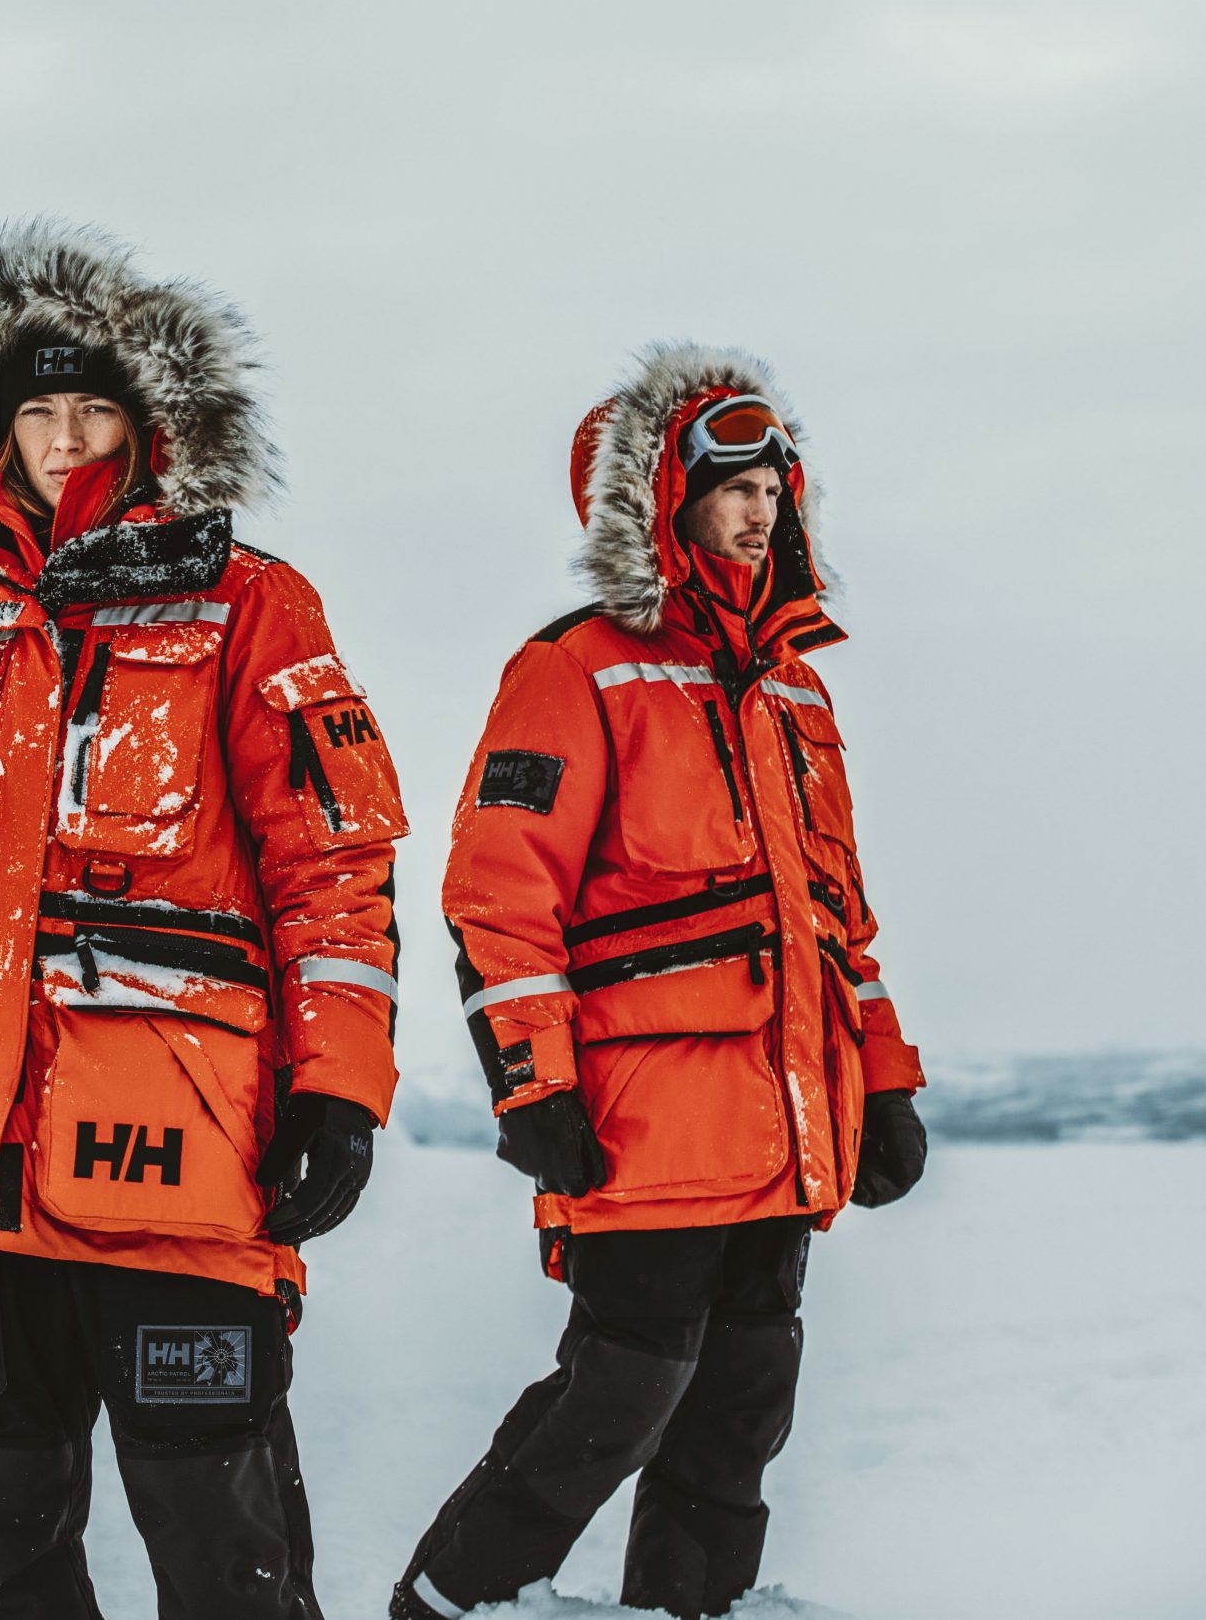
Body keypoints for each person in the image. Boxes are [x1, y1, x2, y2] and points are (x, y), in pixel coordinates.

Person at [0, 220, 407, 1620]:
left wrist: (339, 1088)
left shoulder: (253, 602)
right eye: (38, 410)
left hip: (181, 1169)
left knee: (225, 1552)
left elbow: (334, 866)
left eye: (94, 409)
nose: (66, 438)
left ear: (150, 425)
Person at [391, 346, 929, 1620]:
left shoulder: (794, 689)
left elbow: (835, 928)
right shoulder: (573, 668)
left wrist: (883, 1089)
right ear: (658, 506)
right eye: (729, 486)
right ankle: (441, 1609)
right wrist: (532, 1085)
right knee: (614, 1401)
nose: (757, 511)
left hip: (782, 1124)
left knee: (741, 1416)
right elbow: (498, 893)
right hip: (642, 1125)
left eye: (772, 486)